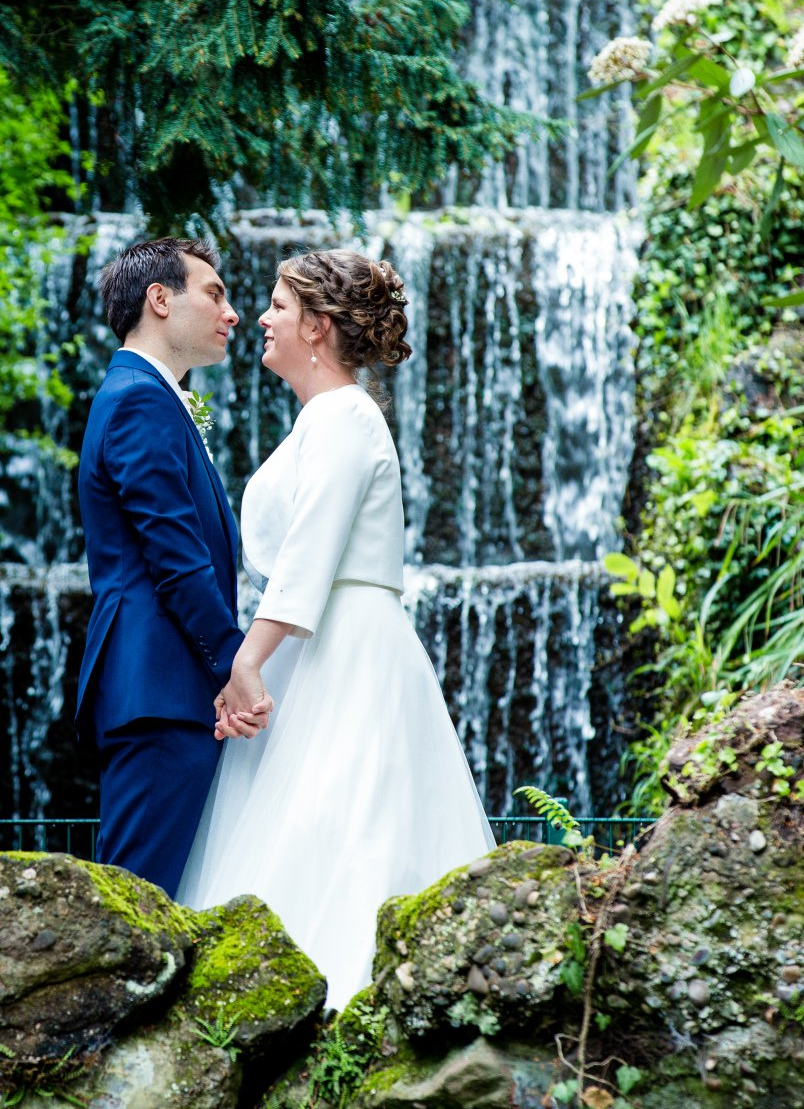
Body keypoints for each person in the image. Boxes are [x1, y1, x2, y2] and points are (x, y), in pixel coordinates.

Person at [177, 248, 496, 1010]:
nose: (260, 317)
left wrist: (243, 664)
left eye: (279, 307)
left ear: (316, 328)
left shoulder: (345, 416)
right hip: (311, 646)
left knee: (348, 822)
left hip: (344, 646)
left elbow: (310, 556)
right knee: (313, 821)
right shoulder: (324, 417)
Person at [75, 237, 272, 899]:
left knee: (152, 903)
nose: (234, 314)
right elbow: (175, 557)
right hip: (160, 689)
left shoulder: (145, 395)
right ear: (159, 299)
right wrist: (234, 669)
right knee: (134, 906)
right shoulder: (139, 399)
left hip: (163, 688)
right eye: (214, 293)